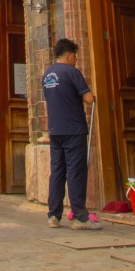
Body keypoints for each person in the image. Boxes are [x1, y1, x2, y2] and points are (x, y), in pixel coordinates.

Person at [42, 38, 99, 230]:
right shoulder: (72, 72)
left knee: (57, 172)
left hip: (55, 129)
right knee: (75, 171)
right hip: (73, 129)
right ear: (68, 55)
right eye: (75, 56)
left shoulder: (47, 74)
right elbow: (89, 99)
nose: (76, 59)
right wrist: (93, 96)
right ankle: (80, 217)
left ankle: (53, 215)